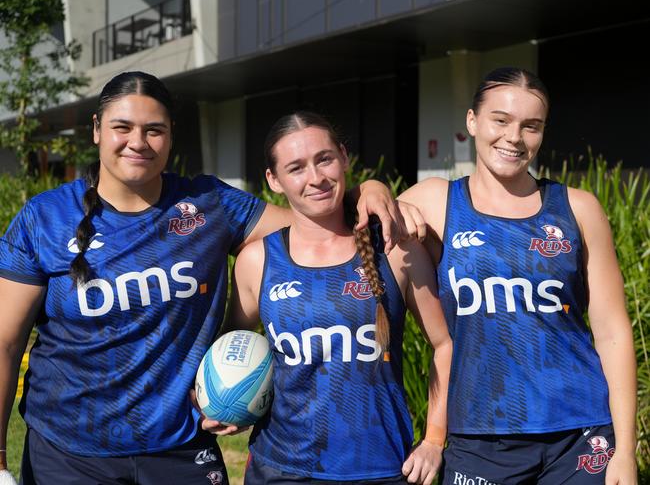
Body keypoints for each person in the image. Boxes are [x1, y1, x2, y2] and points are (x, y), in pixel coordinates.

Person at [0, 72, 417, 484]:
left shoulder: (208, 203)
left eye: (154, 130)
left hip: (179, 445)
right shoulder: (44, 218)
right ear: (96, 130)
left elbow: (315, 224)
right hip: (69, 453)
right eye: (121, 127)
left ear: (171, 135)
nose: (138, 142)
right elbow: (5, 342)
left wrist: (366, 190)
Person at [398, 67, 638, 484]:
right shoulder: (436, 202)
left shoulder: (578, 208)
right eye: (501, 120)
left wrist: (626, 451)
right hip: (480, 435)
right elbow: (346, 229)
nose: (514, 137)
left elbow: (613, 334)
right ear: (472, 121)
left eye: (531, 126)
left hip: (580, 432)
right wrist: (373, 191)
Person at [219, 111, 452, 484]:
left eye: (324, 159)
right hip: (280, 469)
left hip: (381, 468)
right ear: (274, 180)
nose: (316, 178)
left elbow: (443, 344)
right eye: (296, 168)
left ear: (344, 157)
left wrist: (434, 440)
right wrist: (221, 399)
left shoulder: (394, 249)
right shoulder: (257, 261)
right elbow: (231, 347)